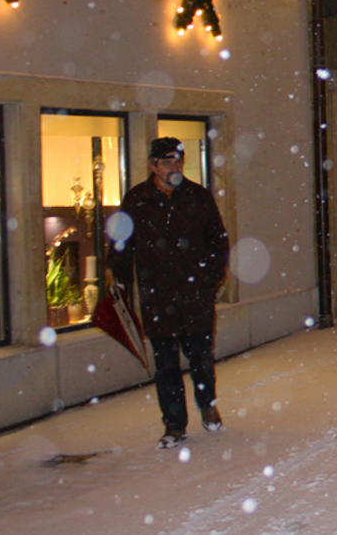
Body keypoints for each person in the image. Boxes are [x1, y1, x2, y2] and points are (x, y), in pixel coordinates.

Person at [106, 137, 230, 450]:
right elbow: (122, 244)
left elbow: (218, 241)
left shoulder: (198, 197)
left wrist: (208, 280)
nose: (174, 168)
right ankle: (174, 425)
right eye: (166, 163)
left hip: (194, 296)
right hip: (157, 297)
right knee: (166, 366)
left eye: (178, 161)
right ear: (153, 166)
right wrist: (119, 282)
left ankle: (207, 405)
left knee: (201, 358)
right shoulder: (137, 199)